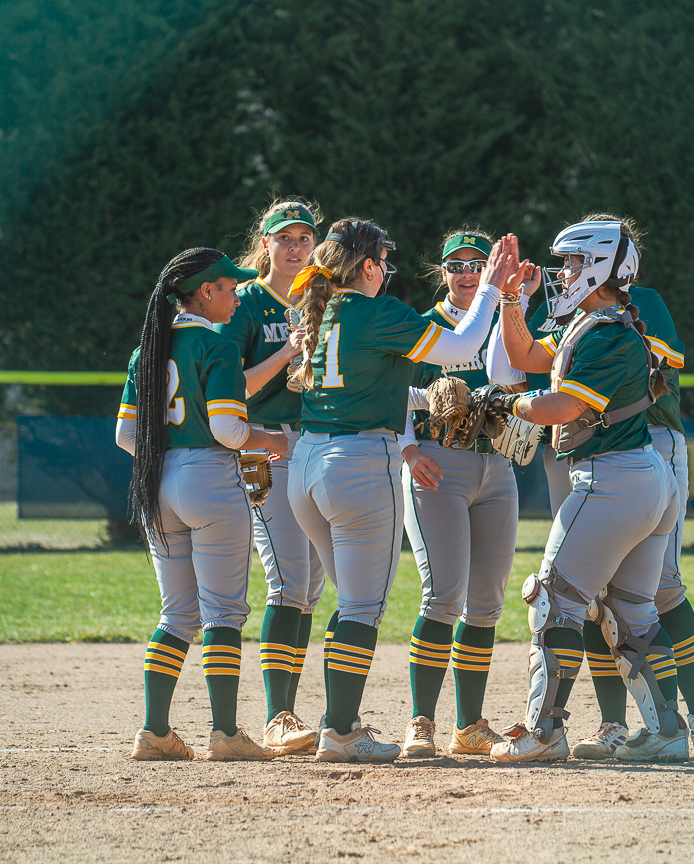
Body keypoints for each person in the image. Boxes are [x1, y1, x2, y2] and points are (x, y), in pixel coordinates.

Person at [285, 218, 527, 762]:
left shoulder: (325, 312)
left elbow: (371, 380)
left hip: (308, 462)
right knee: (362, 606)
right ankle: (341, 731)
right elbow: (463, 341)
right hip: (358, 461)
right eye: (383, 261)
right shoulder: (379, 311)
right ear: (367, 266)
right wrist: (490, 286)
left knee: (349, 602)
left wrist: (425, 399)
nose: (387, 270)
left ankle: (336, 723)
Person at [488, 218, 694, 761]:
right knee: (631, 611)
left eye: (574, 263)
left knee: (553, 601)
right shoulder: (594, 323)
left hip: (612, 479)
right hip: (638, 478)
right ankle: (668, 730)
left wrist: (502, 404)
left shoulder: (608, 332)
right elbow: (526, 358)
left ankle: (544, 732)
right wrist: (507, 300)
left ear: (599, 266)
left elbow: (559, 409)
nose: (564, 272)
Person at [116, 247, 289, 762]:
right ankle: (227, 734)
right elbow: (227, 429)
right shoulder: (215, 345)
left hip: (157, 477)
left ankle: (154, 731)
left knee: (176, 614)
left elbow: (127, 435)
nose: (236, 295)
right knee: (223, 613)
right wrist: (269, 440)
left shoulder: (146, 348)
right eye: (230, 288)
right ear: (206, 291)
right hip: (210, 478)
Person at [396, 229, 538, 758]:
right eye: (454, 264)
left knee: (485, 604)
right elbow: (393, 397)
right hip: (438, 464)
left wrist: (515, 302)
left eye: (476, 263)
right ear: (442, 272)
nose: (465, 272)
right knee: (443, 595)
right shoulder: (424, 325)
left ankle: (469, 725)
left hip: (494, 464)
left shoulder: (503, 318)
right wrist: (409, 453)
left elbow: (508, 378)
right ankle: (421, 723)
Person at [216, 199, 325, 755]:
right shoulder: (247, 302)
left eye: (305, 238)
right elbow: (233, 387)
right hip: (263, 444)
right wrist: (288, 350)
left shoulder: (320, 298)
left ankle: (291, 708)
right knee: (286, 579)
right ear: (265, 244)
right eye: (286, 238)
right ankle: (277, 716)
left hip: (317, 442)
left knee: (309, 588)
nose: (296, 247)